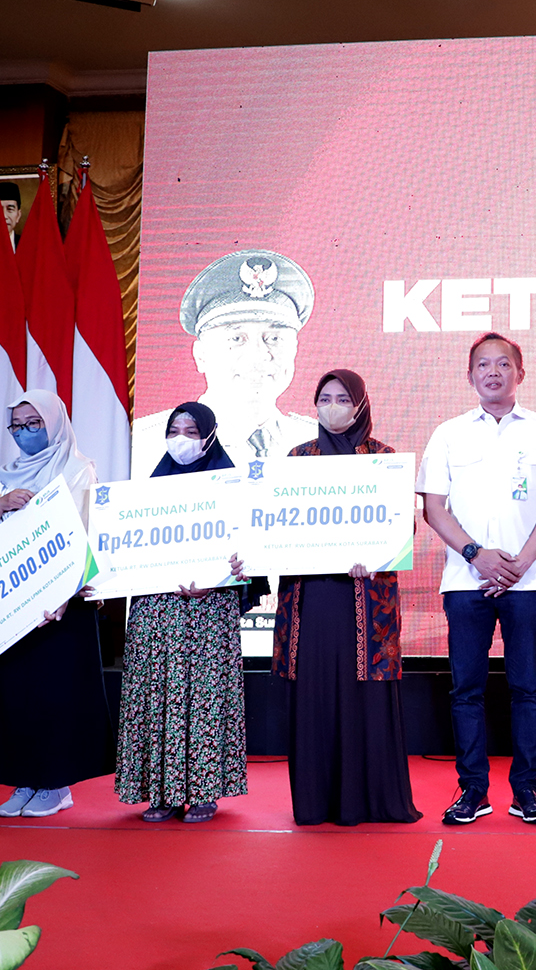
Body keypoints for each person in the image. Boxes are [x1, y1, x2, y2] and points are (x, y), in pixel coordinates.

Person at [417, 333, 536, 827]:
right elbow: (433, 508)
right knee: (466, 690)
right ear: (470, 376)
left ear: (520, 373)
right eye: (483, 365)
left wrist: (520, 563)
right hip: (465, 582)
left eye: (503, 364)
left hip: (527, 583)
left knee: (527, 688)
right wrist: (475, 555)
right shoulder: (448, 434)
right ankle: (473, 790)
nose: (493, 372)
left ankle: (526, 789)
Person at [274, 370, 421, 826]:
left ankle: (370, 801)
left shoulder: (383, 458)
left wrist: (376, 555)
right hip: (310, 598)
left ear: (360, 405)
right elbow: (275, 523)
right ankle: (315, 803)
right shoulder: (296, 460)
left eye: (342, 398)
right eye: (324, 398)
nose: (332, 406)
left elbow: (402, 526)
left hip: (365, 597)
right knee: (315, 689)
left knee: (364, 693)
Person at [0, 389, 111, 818]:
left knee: (55, 696)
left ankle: (55, 784)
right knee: (16, 695)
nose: (24, 433)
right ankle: (24, 780)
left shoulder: (78, 468)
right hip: (11, 599)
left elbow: (85, 532)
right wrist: (1, 505)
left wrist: (62, 595)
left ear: (55, 423)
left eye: (34, 424)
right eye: (17, 426)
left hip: (62, 605)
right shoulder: (4, 475)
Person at [112, 402, 254, 823]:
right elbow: (126, 547)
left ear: (210, 435)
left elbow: (250, 550)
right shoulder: (149, 492)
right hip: (156, 611)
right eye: (174, 430)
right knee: (156, 696)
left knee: (205, 698)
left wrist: (222, 575)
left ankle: (204, 791)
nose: (181, 439)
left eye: (192, 432)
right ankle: (161, 792)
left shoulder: (234, 487)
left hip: (208, 610)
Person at [129, 249, 317, 476]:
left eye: (274, 338)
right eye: (237, 339)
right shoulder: (143, 449)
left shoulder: (325, 447)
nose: (259, 354)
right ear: (201, 355)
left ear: (295, 350)